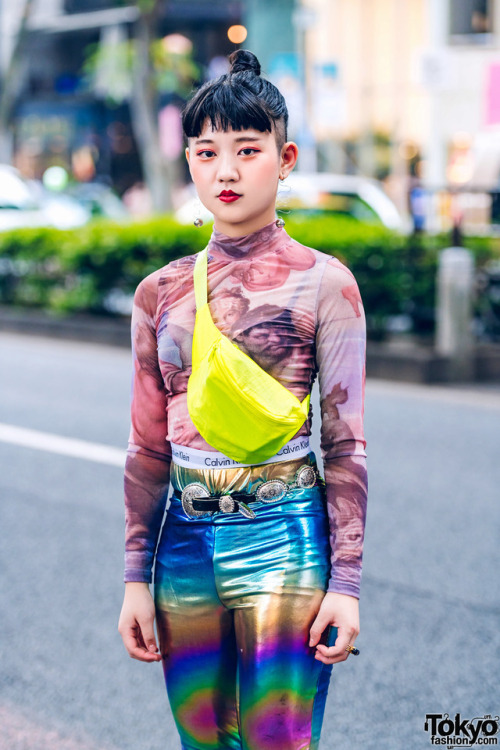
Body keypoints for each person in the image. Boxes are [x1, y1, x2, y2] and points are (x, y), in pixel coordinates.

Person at [118, 49, 368, 750]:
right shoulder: (159, 292)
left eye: (248, 150)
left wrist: (344, 584)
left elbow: (347, 445)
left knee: (278, 740)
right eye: (206, 152)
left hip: (284, 538)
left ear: (285, 158)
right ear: (189, 160)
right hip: (184, 545)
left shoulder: (327, 286)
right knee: (203, 740)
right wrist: (135, 578)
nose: (225, 172)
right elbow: (146, 448)